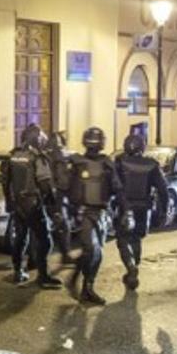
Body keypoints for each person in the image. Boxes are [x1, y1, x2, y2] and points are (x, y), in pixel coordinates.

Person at [66, 127, 125, 305]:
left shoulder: (107, 163)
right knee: (92, 249)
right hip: (83, 212)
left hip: (100, 212)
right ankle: (82, 283)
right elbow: (65, 187)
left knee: (97, 253)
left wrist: (125, 209)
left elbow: (117, 188)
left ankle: (85, 286)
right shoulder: (75, 162)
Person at [2, 124, 63, 289]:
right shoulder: (38, 158)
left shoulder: (14, 156)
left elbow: (5, 182)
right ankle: (43, 276)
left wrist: (9, 202)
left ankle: (17, 271)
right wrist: (53, 206)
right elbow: (45, 184)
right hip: (33, 204)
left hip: (17, 205)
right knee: (45, 240)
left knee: (21, 238)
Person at [114, 133, 168, 290]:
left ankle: (131, 267)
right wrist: (163, 211)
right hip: (144, 209)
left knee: (123, 239)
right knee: (137, 237)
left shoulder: (119, 162)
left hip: (125, 208)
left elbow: (112, 184)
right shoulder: (151, 164)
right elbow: (163, 190)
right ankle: (134, 266)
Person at [45, 131, 75, 265]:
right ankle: (66, 254)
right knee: (64, 226)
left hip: (44, 195)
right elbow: (64, 181)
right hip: (57, 196)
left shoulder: (42, 156)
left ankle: (35, 259)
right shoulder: (61, 157)